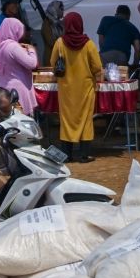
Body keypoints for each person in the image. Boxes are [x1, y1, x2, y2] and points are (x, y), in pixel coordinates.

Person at [50, 12, 102, 164]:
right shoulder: (89, 44)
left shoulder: (59, 43)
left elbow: (53, 63)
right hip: (85, 88)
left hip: (66, 89)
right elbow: (97, 67)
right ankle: (84, 155)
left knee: (67, 120)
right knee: (85, 120)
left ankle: (67, 154)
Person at [0, 17, 39, 116]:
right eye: (19, 30)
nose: (21, 34)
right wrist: (31, 49)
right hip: (17, 90)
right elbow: (32, 64)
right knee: (21, 121)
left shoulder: (0, 46)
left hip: (5, 88)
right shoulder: (12, 47)